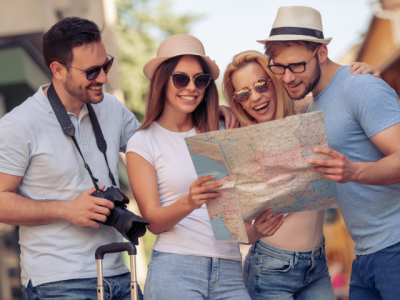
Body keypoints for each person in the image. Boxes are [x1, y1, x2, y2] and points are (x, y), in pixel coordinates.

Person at [0, 18, 237, 300]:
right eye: (91, 71)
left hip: (119, 273)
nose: (103, 78)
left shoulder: (111, 107)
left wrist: (207, 107)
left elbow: (162, 145)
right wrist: (66, 210)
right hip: (58, 283)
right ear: (58, 70)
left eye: (105, 66)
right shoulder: (19, 124)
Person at [125, 34, 284, 300]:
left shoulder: (222, 130)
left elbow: (232, 220)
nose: (191, 87)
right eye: (180, 78)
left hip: (230, 270)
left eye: (200, 79)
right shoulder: (142, 143)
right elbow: (152, 222)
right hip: (175, 270)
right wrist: (189, 201)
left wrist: (256, 231)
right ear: (162, 81)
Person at [260, 6, 400, 300]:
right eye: (279, 66)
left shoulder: (359, 86)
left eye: (296, 65)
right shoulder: (314, 106)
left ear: (322, 53)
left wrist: (354, 172)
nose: (287, 77)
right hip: (364, 255)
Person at [222, 50, 379, 300]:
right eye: (243, 94)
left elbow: (336, 91)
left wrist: (362, 75)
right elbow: (228, 224)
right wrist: (255, 232)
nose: (255, 97)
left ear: (274, 82)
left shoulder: (307, 115)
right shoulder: (237, 141)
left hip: (317, 264)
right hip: (269, 267)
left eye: (261, 85)